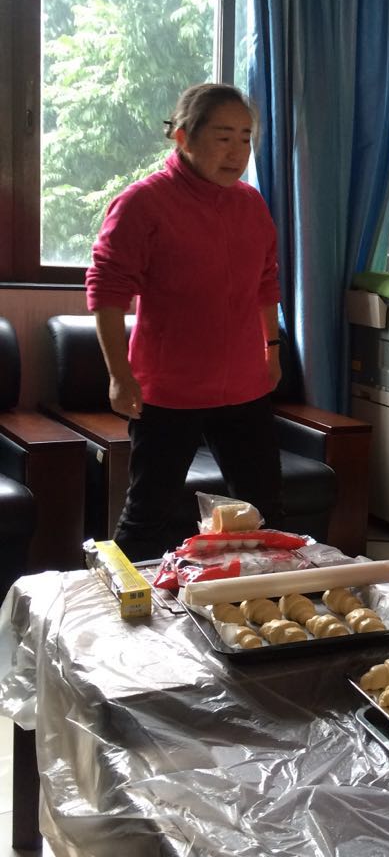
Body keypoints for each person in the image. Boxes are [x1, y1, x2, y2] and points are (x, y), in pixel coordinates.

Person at [86, 83, 284, 561]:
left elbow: (266, 283)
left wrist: (272, 350)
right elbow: (107, 290)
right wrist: (119, 375)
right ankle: (121, 601)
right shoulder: (143, 203)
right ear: (182, 137)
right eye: (223, 137)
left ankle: (261, 598)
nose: (237, 152)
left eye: (245, 138)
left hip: (244, 386)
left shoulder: (251, 204)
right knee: (147, 515)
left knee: (265, 510)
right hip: (169, 390)